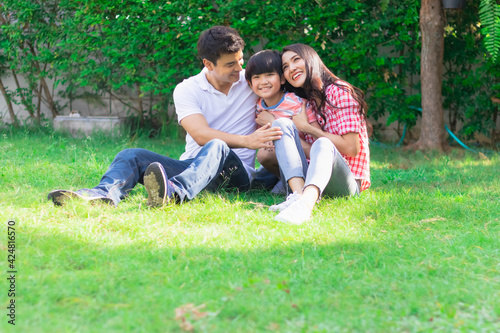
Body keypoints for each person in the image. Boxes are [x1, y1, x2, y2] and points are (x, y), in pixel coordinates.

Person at [48, 26, 282, 207]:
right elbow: (200, 135)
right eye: (231, 64)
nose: (240, 69)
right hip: (192, 165)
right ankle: (104, 195)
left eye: (241, 60)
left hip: (234, 175)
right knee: (132, 155)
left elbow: (288, 94)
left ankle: (173, 193)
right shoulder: (187, 89)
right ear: (208, 64)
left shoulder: (251, 82)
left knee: (218, 146)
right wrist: (248, 141)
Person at [256, 43, 370, 225]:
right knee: (281, 124)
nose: (291, 68)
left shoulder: (338, 91)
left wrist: (308, 129)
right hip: (313, 176)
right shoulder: (301, 100)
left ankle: (304, 206)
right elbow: (304, 150)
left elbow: (351, 148)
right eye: (285, 67)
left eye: (296, 60)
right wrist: (273, 122)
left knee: (323, 144)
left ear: (310, 59)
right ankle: (296, 196)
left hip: (345, 181)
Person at [244, 49, 321, 177]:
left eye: (269, 75)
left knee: (265, 154)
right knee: (264, 154)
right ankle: (286, 181)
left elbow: (319, 140)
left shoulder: (297, 104)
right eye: (257, 77)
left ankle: (298, 181)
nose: (263, 82)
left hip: (311, 160)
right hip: (283, 161)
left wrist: (275, 126)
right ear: (250, 84)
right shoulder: (258, 107)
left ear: (282, 79)